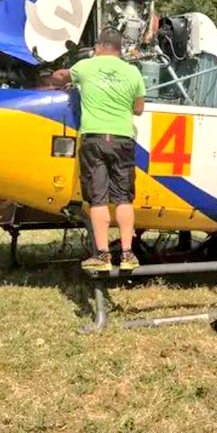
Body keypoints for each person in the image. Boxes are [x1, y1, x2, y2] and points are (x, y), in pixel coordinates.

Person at [51, 27, 146, 273]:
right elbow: (138, 109)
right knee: (124, 198)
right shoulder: (133, 72)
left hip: (94, 140)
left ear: (100, 46)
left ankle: (102, 255)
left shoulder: (86, 66)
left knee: (98, 199)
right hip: (123, 139)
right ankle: (127, 254)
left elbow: (62, 77)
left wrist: (57, 75)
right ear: (119, 49)